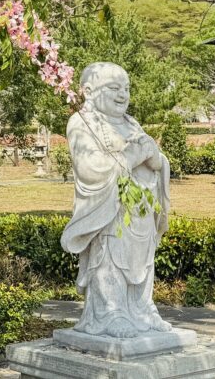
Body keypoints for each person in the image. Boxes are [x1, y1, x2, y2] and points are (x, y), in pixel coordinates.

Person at [60, 61, 174, 338]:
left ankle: (143, 308)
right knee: (109, 257)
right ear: (88, 91)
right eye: (114, 88)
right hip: (109, 210)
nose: (123, 95)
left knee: (143, 261)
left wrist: (158, 160)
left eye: (126, 88)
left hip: (141, 212)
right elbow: (91, 169)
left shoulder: (131, 123)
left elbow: (155, 159)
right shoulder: (82, 123)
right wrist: (134, 156)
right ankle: (110, 312)